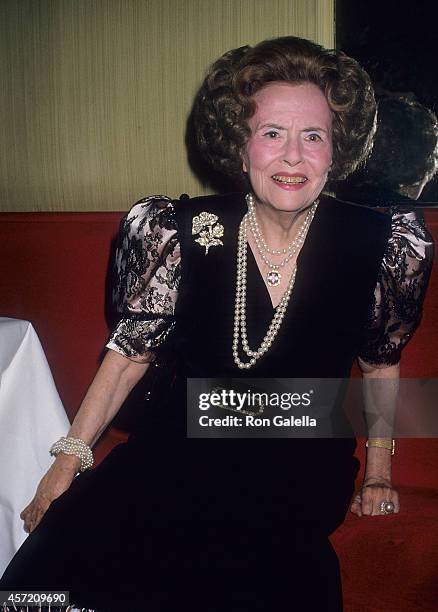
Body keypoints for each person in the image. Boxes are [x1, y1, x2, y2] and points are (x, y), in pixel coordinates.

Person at [0, 36, 433, 612]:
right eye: (272, 133)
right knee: (41, 587)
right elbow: (130, 353)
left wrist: (378, 473)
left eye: (314, 136)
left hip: (300, 451)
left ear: (337, 149)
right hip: (180, 439)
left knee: (237, 560)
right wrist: (67, 463)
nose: (293, 157)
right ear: (241, 144)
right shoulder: (178, 230)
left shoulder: (380, 242)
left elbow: (381, 362)